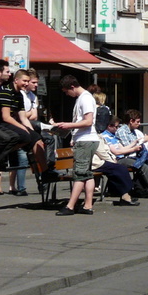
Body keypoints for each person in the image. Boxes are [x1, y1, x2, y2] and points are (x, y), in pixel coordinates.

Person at [53, 75, 100, 216]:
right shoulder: (85, 98)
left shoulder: (85, 98)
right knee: (87, 173)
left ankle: (70, 206)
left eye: (67, 91)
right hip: (88, 139)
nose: (67, 94)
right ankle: (87, 205)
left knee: (79, 173)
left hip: (85, 139)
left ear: (72, 87)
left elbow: (88, 121)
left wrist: (69, 125)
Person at [102, 116, 148, 198]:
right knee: (141, 165)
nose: (117, 128)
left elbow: (123, 148)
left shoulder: (113, 136)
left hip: (123, 157)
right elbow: (116, 152)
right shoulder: (105, 137)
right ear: (109, 126)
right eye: (116, 126)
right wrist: (133, 149)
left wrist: (135, 143)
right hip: (116, 160)